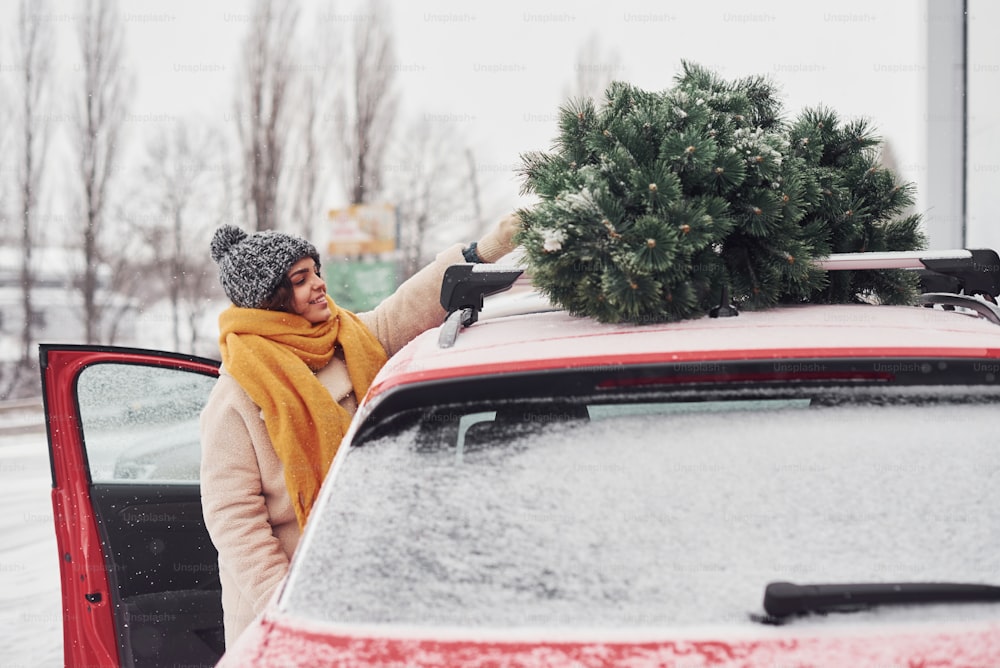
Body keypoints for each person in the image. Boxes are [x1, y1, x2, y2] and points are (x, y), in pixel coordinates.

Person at [199, 214, 521, 647]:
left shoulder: (348, 339)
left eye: (316, 272)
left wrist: (483, 251)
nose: (318, 284)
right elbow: (234, 518)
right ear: (270, 298)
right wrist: (289, 605)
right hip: (286, 600)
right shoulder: (239, 390)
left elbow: (407, 306)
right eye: (300, 279)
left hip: (368, 573)